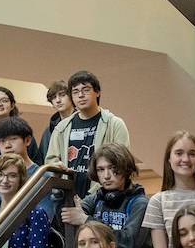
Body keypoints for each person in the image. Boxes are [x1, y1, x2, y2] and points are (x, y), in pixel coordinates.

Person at [44, 70, 132, 198]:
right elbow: (51, 161)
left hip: (105, 197)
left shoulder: (114, 124)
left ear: (97, 92)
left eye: (85, 90)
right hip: (68, 198)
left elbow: (122, 163)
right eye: (75, 92)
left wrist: (93, 196)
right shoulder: (61, 128)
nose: (80, 95)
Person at [62, 143, 149, 248]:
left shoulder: (140, 203)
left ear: (126, 170)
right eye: (101, 170)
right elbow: (68, 217)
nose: (106, 176)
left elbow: (127, 244)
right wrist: (59, 187)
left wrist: (86, 220)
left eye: (113, 169)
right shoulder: (96, 199)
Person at [41, 79, 74, 149]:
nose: (58, 100)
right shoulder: (49, 131)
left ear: (71, 97)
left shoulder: (84, 123)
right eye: (53, 97)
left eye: (62, 95)